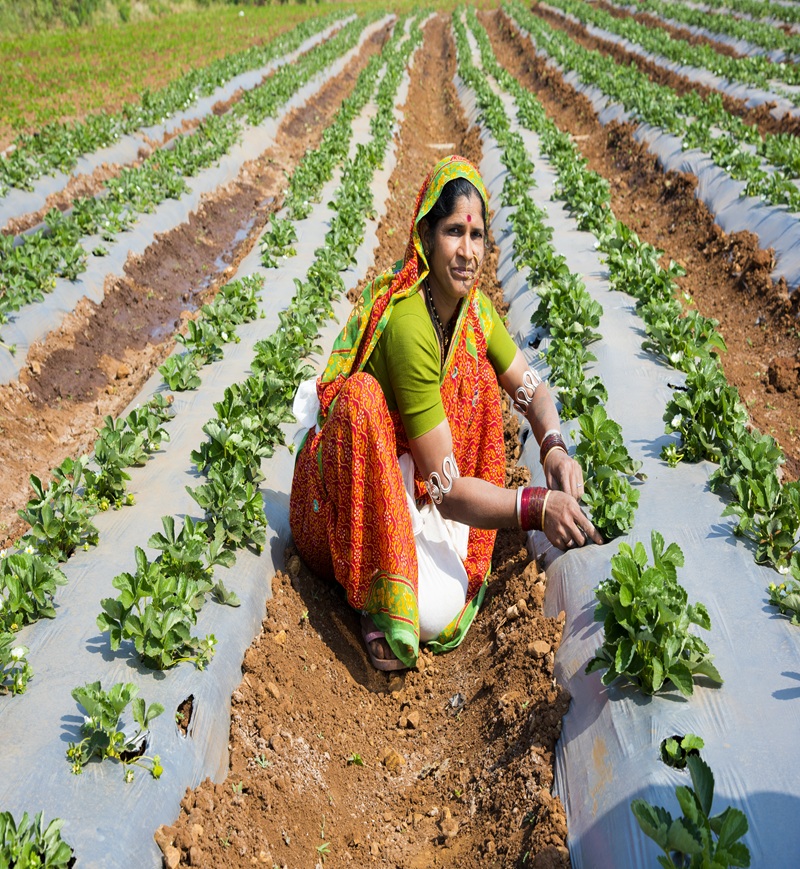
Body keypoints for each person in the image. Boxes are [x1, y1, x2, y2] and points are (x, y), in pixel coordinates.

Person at [289, 155, 601, 672]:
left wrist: (553, 445)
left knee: (478, 373)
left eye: (476, 236)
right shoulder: (411, 325)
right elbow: (448, 489)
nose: (467, 251)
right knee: (432, 611)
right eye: (454, 232)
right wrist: (537, 507)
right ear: (426, 238)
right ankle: (378, 598)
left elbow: (531, 390)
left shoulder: (473, 311)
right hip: (340, 498)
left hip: (409, 471)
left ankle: (404, 550)